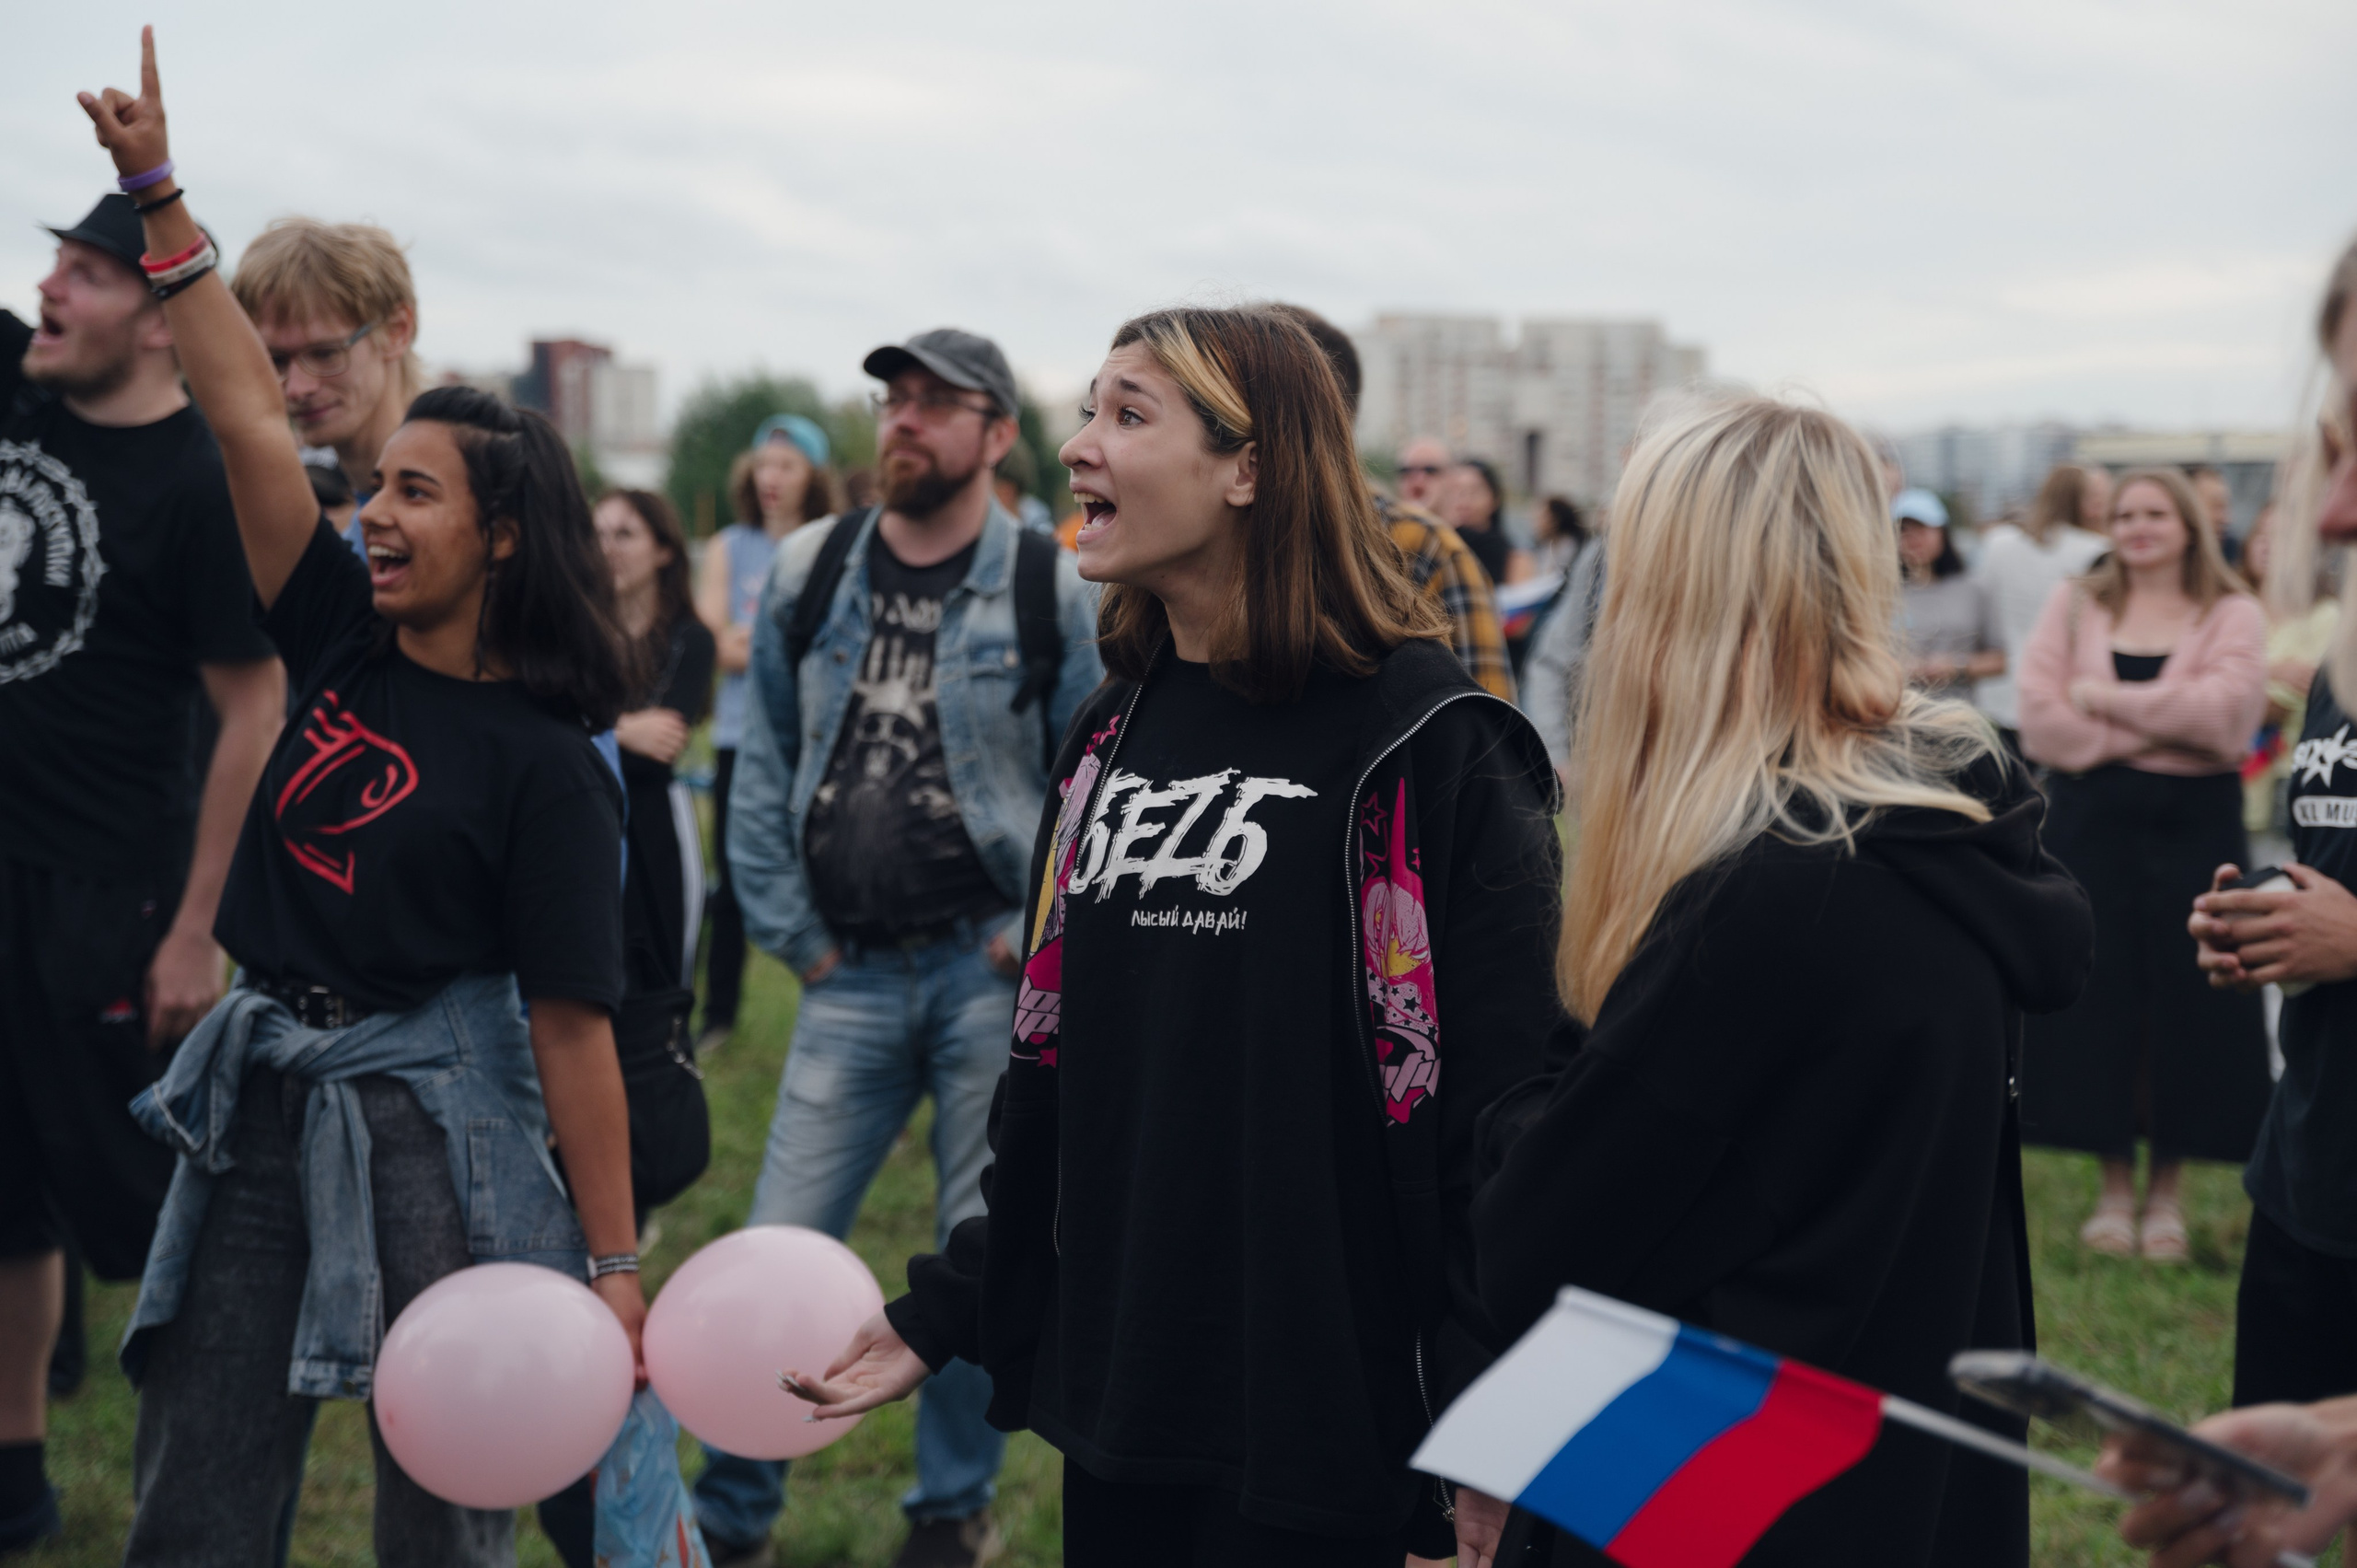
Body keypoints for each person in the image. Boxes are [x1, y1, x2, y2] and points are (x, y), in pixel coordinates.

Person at [784, 303, 1562, 1568]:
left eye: (1128, 413)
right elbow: (1067, 1074)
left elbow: (1505, 1102)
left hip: (1341, 1428)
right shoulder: (1110, 732)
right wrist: (955, 1300)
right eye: (1087, 408)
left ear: (1249, 466)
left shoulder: (1431, 741)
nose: (1077, 445)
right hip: (1127, 1400)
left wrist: (1486, 1406)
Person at [74, 39, 644, 1567]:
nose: (373, 512)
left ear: (504, 538)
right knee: (198, 1465)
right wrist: (160, 196)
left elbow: (572, 1028)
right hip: (263, 1081)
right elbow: (249, 421)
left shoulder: (549, 763)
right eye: (375, 486)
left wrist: (611, 1262)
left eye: (414, 493)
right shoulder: (337, 626)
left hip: (437, 1121)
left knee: (443, 1489)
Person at [1469, 393, 2092, 1568]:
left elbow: (1533, 1240)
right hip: (1887, 1468)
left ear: (1674, 596)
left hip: (1708, 1486)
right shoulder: (1939, 841)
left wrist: (1524, 1074)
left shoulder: (1771, 895)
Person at [694, 329, 1103, 1568]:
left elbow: (1096, 778)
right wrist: (795, 933)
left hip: (988, 971)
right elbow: (764, 755)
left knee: (977, 1248)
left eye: (937, 401)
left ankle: (948, 1510)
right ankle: (733, 1513)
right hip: (848, 975)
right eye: (893, 399)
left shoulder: (1049, 584)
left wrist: (1031, 935)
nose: (905, 420)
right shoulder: (814, 564)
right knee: (780, 1245)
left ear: (997, 434)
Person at [0, 186, 285, 1551]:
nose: (51, 290)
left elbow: (252, 706)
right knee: (4, 1188)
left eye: (89, 274)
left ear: (163, 321)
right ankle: (16, 1471)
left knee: (142, 1201)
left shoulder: (197, 484)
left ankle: (221, 1456)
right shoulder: (20, 398)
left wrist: (195, 927)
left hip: (107, 890)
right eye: (52, 264)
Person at [2185, 239, 2357, 1426]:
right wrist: (2271, 925)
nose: (2333, 508)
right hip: (2311, 1177)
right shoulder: (2341, 664)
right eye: (2336, 443)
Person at [2016, 467, 2271, 1261]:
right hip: (2091, 823)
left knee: (2189, 1000)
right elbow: (2041, 723)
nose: (2137, 526)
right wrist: (2163, 724)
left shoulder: (2232, 610)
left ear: (2189, 524)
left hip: (2196, 826)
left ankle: (2167, 1194)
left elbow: (2225, 720)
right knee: (2103, 995)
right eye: (2125, 513)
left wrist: (2103, 700)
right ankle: (2113, 1188)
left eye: (2156, 512)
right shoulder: (2075, 602)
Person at [539, 487, 716, 1568]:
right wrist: (613, 732)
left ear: (660, 548)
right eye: (595, 528)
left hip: (651, 842)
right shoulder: (568, 628)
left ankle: (622, 1201)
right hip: (587, 836)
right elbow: (617, 737)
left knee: (642, 1016)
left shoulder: (682, 635)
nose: (606, 544)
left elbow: (667, 739)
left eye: (625, 530)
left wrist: (605, 737)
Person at [1269, 310, 1515, 701]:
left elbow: (1489, 717)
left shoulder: (1430, 546)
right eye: (1406, 470)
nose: (1417, 480)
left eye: (1430, 470)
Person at [691, 412, 835, 1054]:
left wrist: (753, 639)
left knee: (826, 879)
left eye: (787, 466)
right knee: (731, 883)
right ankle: (718, 1018)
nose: (771, 478)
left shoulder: (832, 543)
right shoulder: (731, 546)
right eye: (763, 466)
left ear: (813, 476)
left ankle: (832, 1020)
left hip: (815, 739)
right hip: (739, 739)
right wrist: (785, 642)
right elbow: (712, 645)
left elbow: (836, 649)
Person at [228, 216, 423, 540]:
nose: (296, 389)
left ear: (396, 332)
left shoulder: (467, 504)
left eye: (325, 354)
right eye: (275, 360)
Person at [1972, 463, 2115, 757]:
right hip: (2066, 698)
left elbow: (1983, 610)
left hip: (2001, 696)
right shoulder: (2100, 550)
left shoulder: (1998, 543)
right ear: (2085, 503)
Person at [2237, 501, 2340, 842]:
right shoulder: (2228, 610)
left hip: (2289, 791)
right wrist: (2273, 672)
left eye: (2282, 538)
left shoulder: (2326, 617)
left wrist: (2236, 685)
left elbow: (2278, 707)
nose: (2267, 545)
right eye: (2261, 535)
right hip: (2223, 790)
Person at [1894, 487, 2004, 701]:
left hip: (1958, 711)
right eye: (1904, 530)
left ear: (1942, 532)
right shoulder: (1879, 595)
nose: (1912, 537)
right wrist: (1899, 668)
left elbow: (2000, 659)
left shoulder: (1974, 589)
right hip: (1898, 710)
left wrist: (1957, 666)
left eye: (1922, 528)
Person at [1436, 457, 1527, 590]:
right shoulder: (1435, 548)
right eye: (1457, 492)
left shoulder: (1514, 558)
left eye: (1474, 492)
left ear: (1495, 499)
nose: (1464, 501)